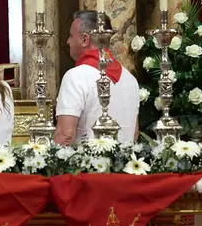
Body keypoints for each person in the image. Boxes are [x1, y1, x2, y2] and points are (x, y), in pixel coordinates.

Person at [54, 11, 140, 145]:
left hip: (86, 164)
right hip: (125, 162)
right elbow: (134, 134)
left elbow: (65, 135)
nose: (68, 41)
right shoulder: (129, 78)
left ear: (85, 39)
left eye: (71, 36)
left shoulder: (76, 76)